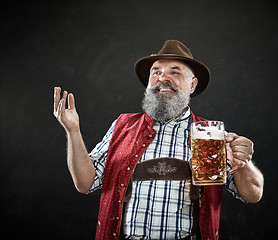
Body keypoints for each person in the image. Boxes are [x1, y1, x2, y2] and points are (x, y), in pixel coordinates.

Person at [53, 40, 264, 240]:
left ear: (192, 85)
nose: (163, 78)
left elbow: (252, 195)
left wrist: (243, 164)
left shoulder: (208, 135)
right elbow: (85, 183)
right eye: (156, 72)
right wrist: (73, 131)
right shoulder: (123, 126)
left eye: (175, 72)